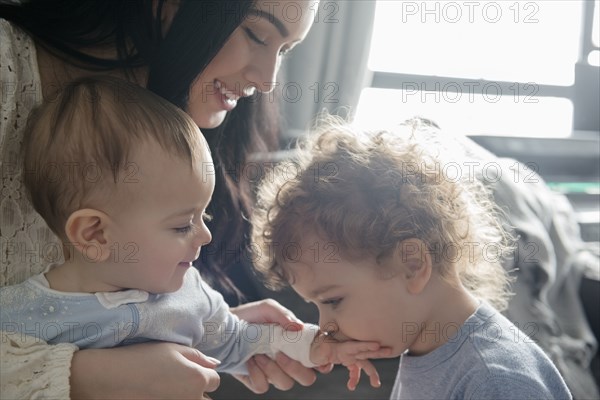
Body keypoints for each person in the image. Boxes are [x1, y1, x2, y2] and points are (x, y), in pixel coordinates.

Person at [0, 0, 323, 398]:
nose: (269, 80)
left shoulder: (160, 135)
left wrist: (187, 324)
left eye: (285, 50)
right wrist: (93, 376)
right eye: (257, 34)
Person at [1, 77, 389, 394]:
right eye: (181, 224)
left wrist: (313, 344)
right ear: (95, 234)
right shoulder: (23, 313)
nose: (204, 236)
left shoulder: (190, 294)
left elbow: (242, 340)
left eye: (203, 215)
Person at [250, 116, 573, 399]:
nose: (325, 327)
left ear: (413, 264)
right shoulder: (426, 348)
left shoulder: (497, 381)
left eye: (333, 301)